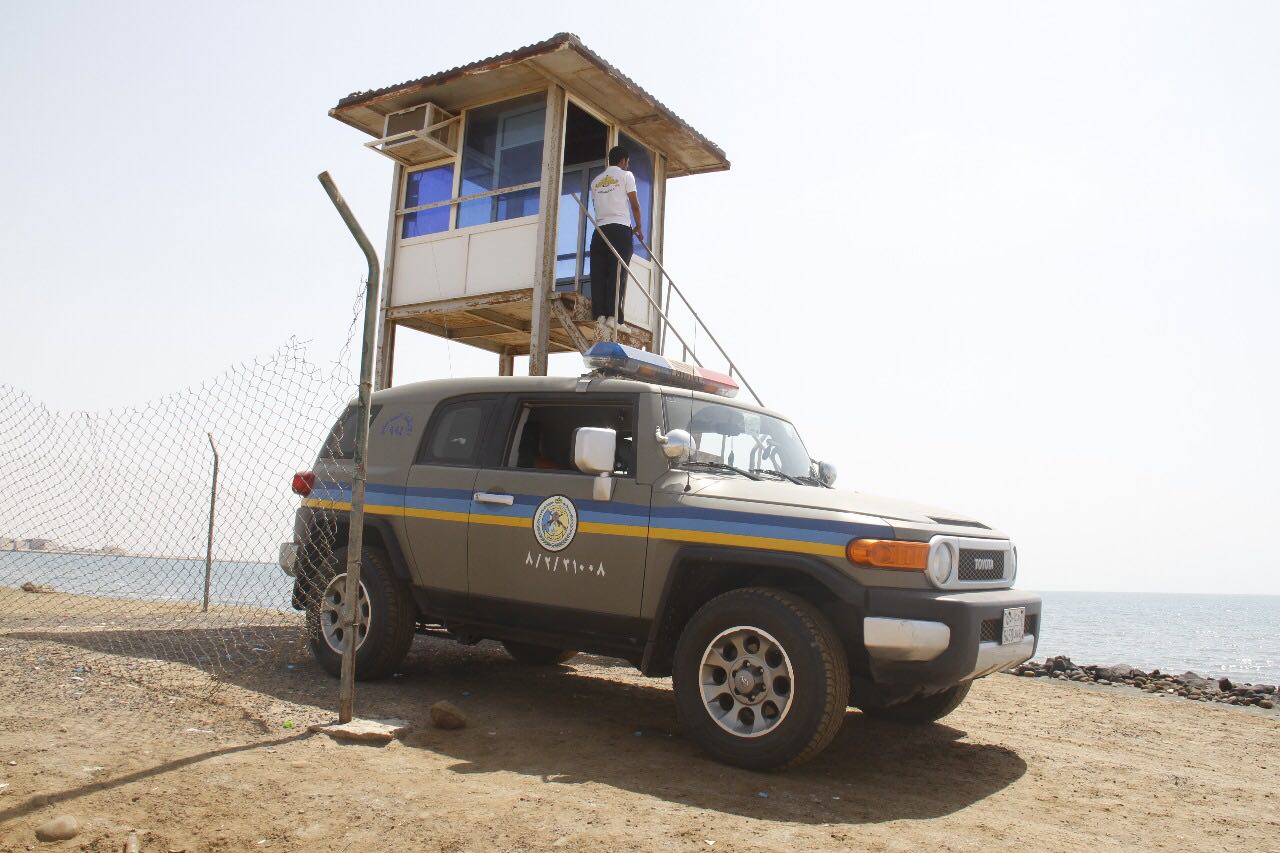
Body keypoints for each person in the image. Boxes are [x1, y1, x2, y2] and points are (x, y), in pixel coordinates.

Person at [588, 145, 644, 340]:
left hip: (600, 230)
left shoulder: (595, 182)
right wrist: (639, 226)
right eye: (627, 162)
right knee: (617, 272)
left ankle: (600, 315)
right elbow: (634, 204)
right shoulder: (626, 176)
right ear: (623, 161)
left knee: (600, 273)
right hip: (620, 228)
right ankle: (615, 318)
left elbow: (597, 206)